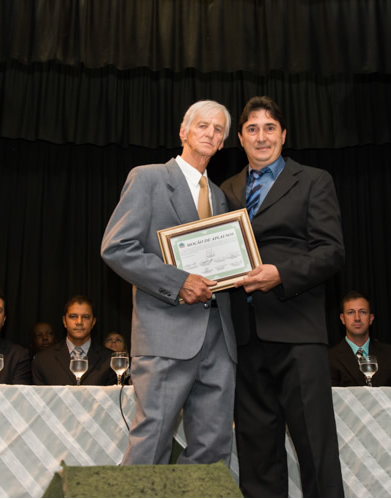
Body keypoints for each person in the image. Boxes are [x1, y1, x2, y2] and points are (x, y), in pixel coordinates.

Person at [220, 96, 345, 497]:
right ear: (241, 138)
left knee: (316, 451)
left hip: (298, 333)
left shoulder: (313, 180)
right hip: (245, 338)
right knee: (257, 454)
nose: (261, 137)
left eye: (270, 128)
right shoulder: (226, 189)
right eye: (252, 129)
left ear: (284, 134)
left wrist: (281, 274)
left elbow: (332, 252)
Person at [101, 100, 237, 467]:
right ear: (183, 132)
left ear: (222, 143)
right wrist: (178, 282)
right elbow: (116, 248)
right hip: (165, 333)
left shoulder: (221, 196)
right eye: (202, 125)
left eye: (218, 130)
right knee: (152, 441)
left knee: (214, 448)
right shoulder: (148, 178)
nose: (210, 133)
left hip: (219, 338)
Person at [32, 296, 117, 386]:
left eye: (85, 317)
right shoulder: (42, 360)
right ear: (64, 321)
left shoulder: (110, 360)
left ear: (93, 322)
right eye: (73, 316)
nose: (79, 322)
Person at [329, 290, 391, 387]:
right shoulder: (329, 358)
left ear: (371, 318)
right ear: (342, 319)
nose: (357, 318)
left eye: (363, 312)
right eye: (351, 312)